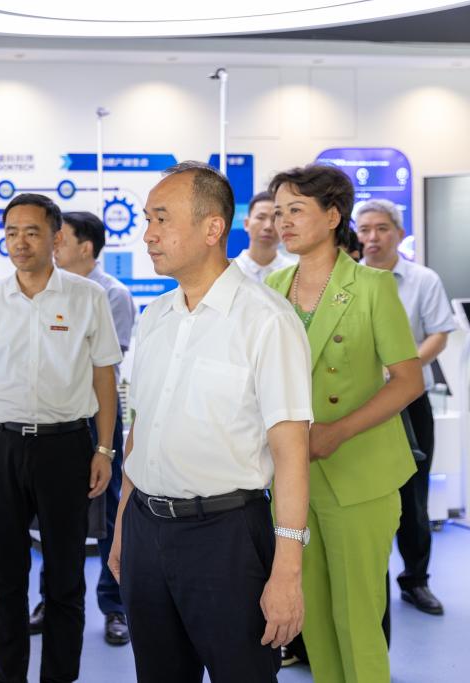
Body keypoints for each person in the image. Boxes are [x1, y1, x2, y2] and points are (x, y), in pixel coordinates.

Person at [108, 161, 312, 683]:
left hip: (226, 537)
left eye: (161, 219)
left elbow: (291, 452)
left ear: (212, 228)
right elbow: (142, 430)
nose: (148, 234)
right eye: (147, 220)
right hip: (146, 528)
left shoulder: (266, 320)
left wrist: (287, 571)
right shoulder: (155, 316)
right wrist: (123, 525)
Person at [266, 165, 423, 683]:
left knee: (357, 621)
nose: (283, 223)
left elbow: (408, 381)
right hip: (294, 479)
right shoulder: (273, 287)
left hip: (358, 474)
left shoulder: (372, 286)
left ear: (333, 216)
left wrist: (338, 431)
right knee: (314, 622)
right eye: (279, 212)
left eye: (296, 211)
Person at [0, 193, 122, 683]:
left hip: (66, 447)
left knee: (66, 578)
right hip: (3, 446)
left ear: (56, 237)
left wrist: (104, 449)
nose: (20, 242)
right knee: (5, 578)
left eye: (32, 232)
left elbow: (105, 377)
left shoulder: (87, 297)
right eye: (12, 232)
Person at [30, 210, 135, 646]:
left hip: (96, 415)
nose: (53, 247)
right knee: (54, 512)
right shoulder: (47, 289)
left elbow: (104, 362)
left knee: (108, 511)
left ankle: (115, 606)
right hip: (55, 414)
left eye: (61, 240)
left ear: (86, 247)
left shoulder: (112, 295)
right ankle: (50, 599)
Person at [357, 197, 454, 616]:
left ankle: (415, 581)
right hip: (359, 403)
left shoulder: (422, 279)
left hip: (409, 402)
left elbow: (439, 335)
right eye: (365, 230)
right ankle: (367, 581)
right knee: (362, 495)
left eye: (382, 228)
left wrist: (400, 370)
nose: (373, 237)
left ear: (398, 233)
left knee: (413, 497)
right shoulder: (349, 279)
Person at [233, 191, 295, 283]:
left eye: (274, 219)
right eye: (261, 217)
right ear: (246, 223)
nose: (268, 226)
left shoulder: (294, 273)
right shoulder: (230, 270)